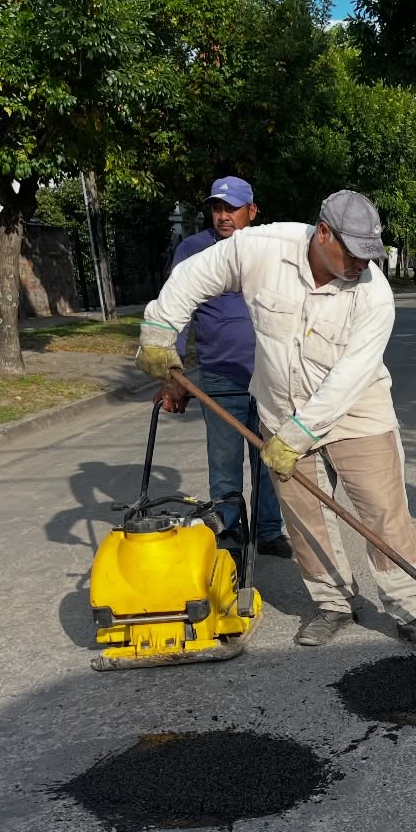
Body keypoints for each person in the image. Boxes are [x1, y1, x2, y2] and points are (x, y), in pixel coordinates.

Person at [135, 190, 416, 653]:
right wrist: (160, 330)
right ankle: (335, 604)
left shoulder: (375, 294)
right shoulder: (259, 249)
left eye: (370, 253)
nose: (364, 263)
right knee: (305, 517)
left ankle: (410, 611)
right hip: (280, 407)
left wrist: (300, 435)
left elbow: (350, 376)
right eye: (355, 251)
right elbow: (194, 276)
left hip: (356, 409)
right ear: (324, 233)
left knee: (383, 510)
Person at [154, 176, 292, 558]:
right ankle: (229, 531)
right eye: (217, 208)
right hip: (220, 376)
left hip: (271, 376)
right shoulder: (193, 250)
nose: (223, 216)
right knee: (225, 460)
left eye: (232, 208)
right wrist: (174, 374)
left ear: (252, 211)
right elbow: (175, 312)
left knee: (269, 458)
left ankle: (268, 531)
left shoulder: (267, 249)